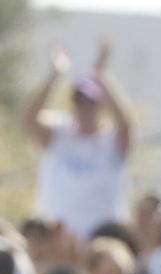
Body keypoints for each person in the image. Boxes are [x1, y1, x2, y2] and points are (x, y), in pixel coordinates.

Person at [24, 42, 133, 241]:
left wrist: (101, 73)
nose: (84, 107)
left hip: (100, 239)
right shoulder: (58, 132)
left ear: (102, 105)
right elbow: (28, 118)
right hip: (56, 239)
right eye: (79, 101)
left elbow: (126, 122)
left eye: (90, 102)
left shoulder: (111, 140)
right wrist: (54, 75)